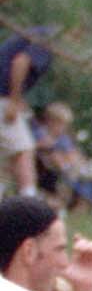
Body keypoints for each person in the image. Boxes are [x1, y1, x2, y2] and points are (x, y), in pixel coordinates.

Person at [0, 29, 52, 196]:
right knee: (23, 149)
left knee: (9, 150)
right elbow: (20, 62)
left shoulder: (34, 32)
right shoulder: (48, 38)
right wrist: (14, 100)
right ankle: (28, 205)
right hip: (3, 97)